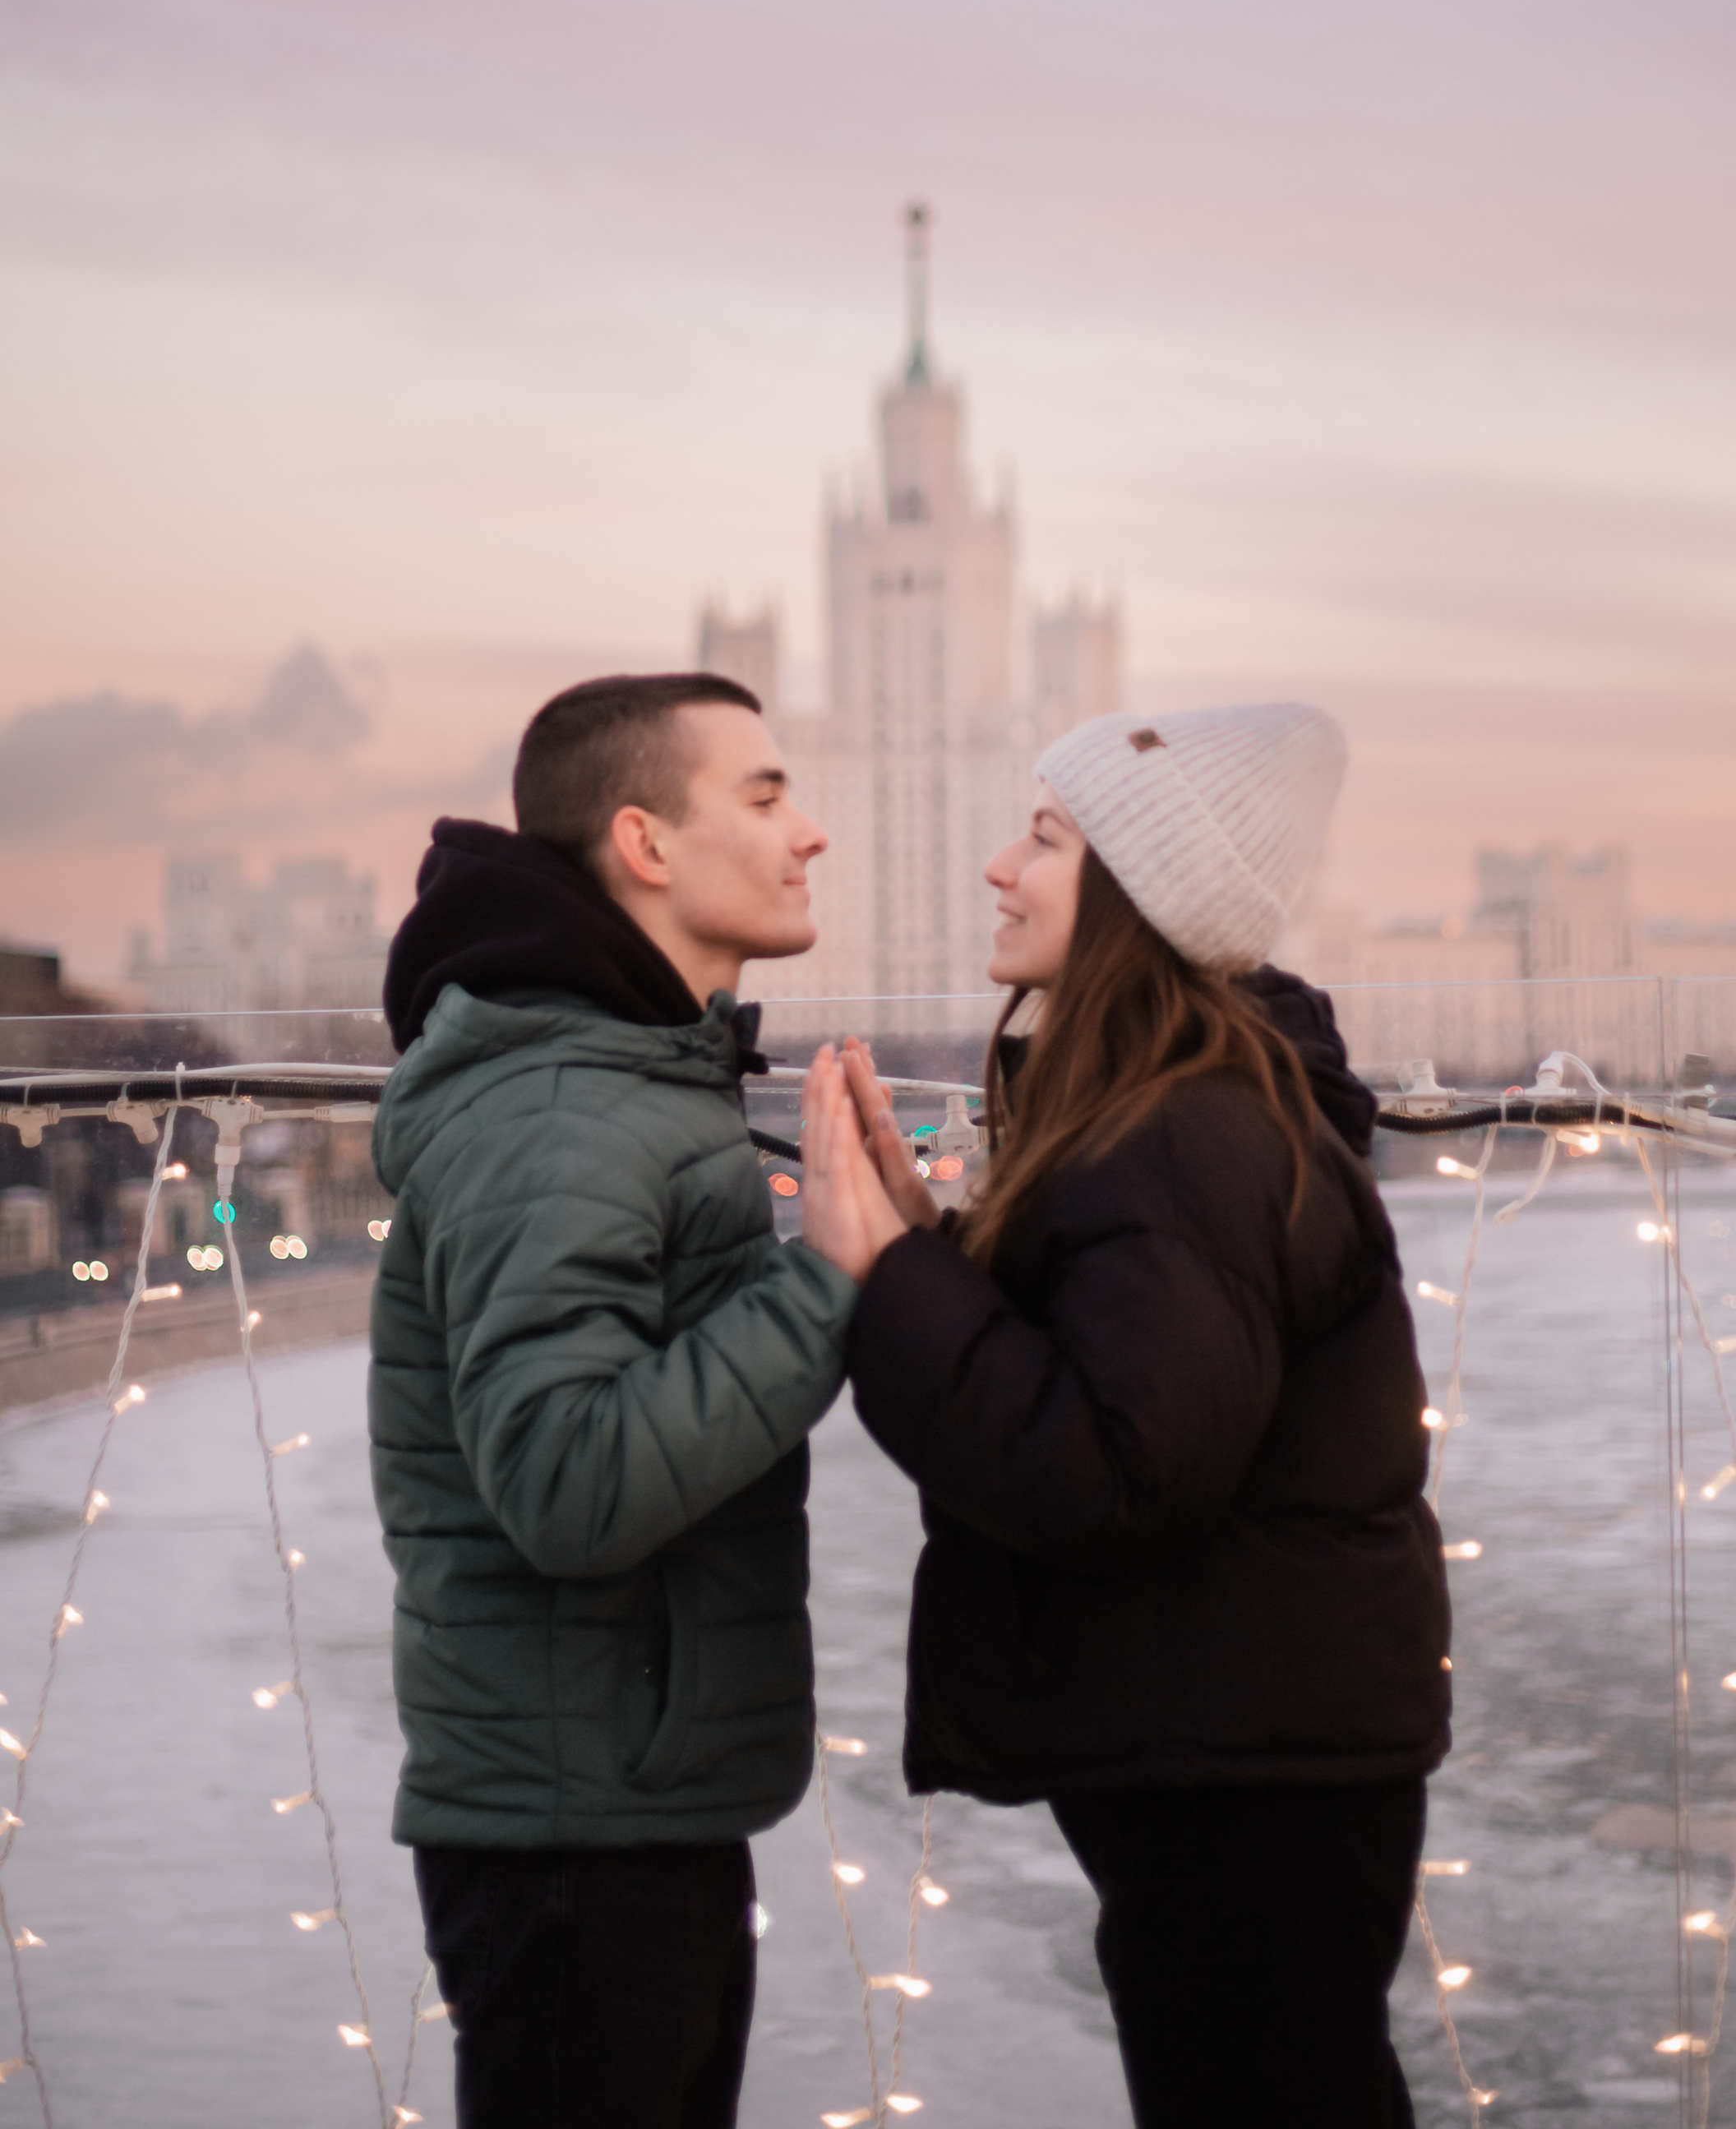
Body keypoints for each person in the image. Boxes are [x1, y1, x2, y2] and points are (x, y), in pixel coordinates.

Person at [800, 703, 1450, 2129]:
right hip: (1253, 1743)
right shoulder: (1182, 1112)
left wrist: (890, 1278)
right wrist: (940, 1249)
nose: (996, 867)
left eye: (1043, 839)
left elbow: (1119, 1474)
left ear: (1138, 896)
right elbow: (1141, 1373)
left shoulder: (1184, 1133)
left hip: (1243, 1763)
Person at [369, 672, 863, 2129]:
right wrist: (824, 1284)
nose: (811, 832)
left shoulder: (632, 1076)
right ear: (645, 845)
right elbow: (569, 1481)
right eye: (766, 797)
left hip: (617, 1808)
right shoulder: (568, 1106)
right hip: (573, 1844)